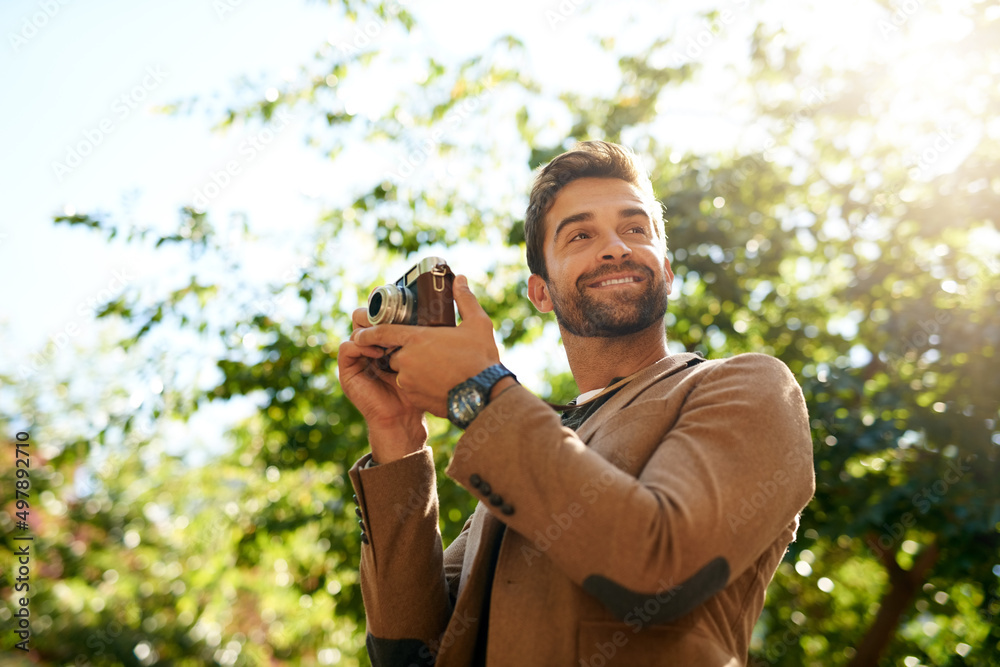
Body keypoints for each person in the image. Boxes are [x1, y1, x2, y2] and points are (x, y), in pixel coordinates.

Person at [337, 140, 815, 666]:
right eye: (581, 235)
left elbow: (661, 567)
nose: (615, 247)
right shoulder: (508, 483)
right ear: (540, 293)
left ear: (668, 270)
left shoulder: (750, 386)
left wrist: (479, 393)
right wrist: (398, 439)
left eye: (635, 229)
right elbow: (407, 654)